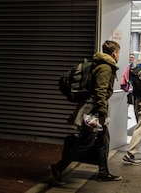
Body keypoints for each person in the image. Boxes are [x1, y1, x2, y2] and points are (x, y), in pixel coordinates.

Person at [49, 40, 122, 184]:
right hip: (92, 112)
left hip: (94, 111)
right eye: (118, 52)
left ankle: (103, 172)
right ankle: (58, 167)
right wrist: (102, 113)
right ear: (114, 53)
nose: (119, 55)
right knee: (87, 142)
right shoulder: (105, 68)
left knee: (103, 139)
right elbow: (100, 92)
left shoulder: (103, 65)